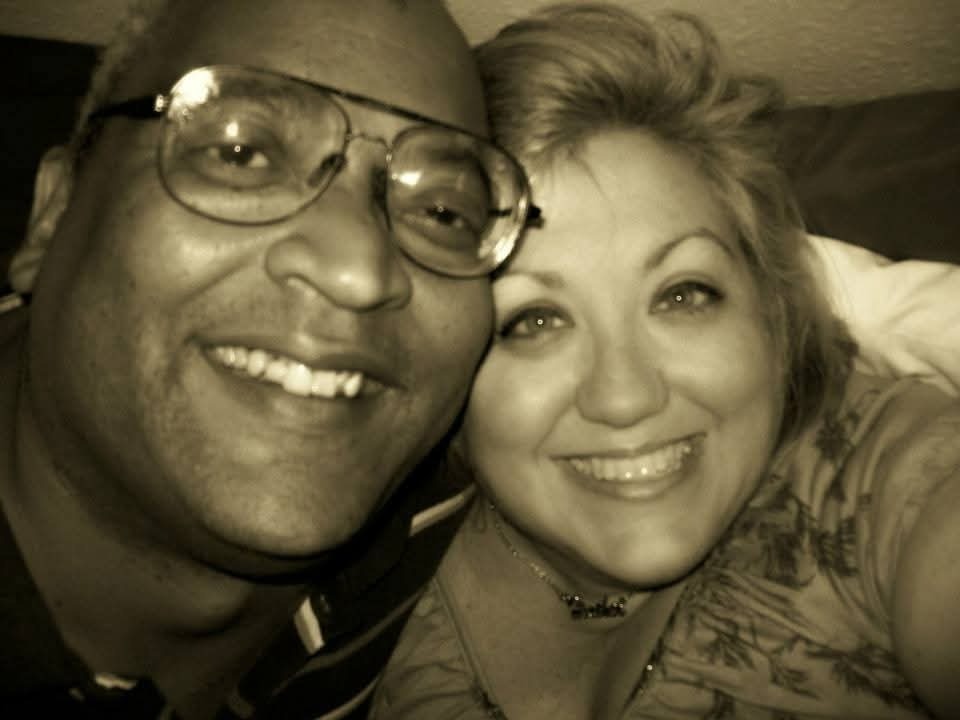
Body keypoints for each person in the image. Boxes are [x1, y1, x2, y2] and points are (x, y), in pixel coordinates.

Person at [372, 5, 960, 718]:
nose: (625, 397)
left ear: (771, 312)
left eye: (683, 295)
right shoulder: (359, 579)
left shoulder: (880, 481)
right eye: (534, 321)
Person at [0, 0, 536, 717]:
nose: (357, 269)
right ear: (54, 213)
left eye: (443, 212)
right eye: (242, 155)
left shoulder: (477, 506)